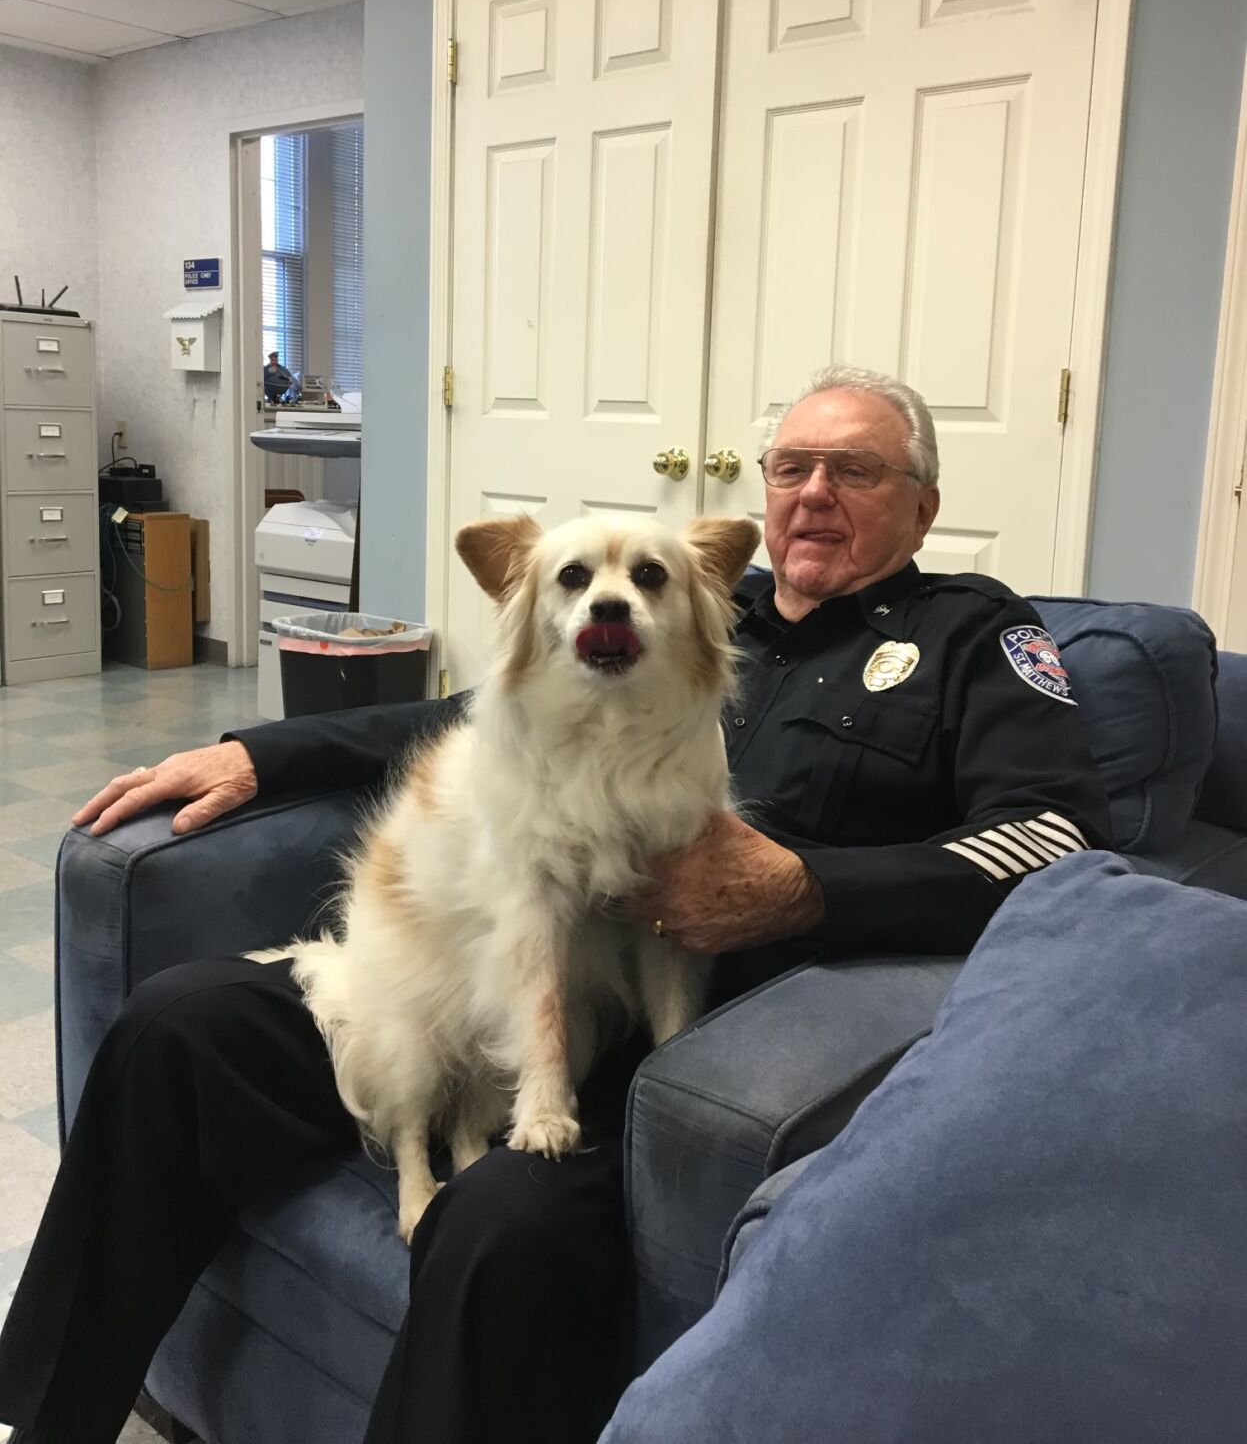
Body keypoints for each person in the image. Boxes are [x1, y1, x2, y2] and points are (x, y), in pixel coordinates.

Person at [0, 365, 1112, 1444]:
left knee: (500, 1218)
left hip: (701, 1032)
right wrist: (258, 754)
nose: (812, 492)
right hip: (514, 976)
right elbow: (473, 719)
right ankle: (50, 1416)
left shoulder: (970, 636)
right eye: (792, 466)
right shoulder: (687, 598)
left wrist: (807, 890)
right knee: (178, 1025)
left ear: (921, 505)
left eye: (855, 471)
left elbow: (1057, 840)